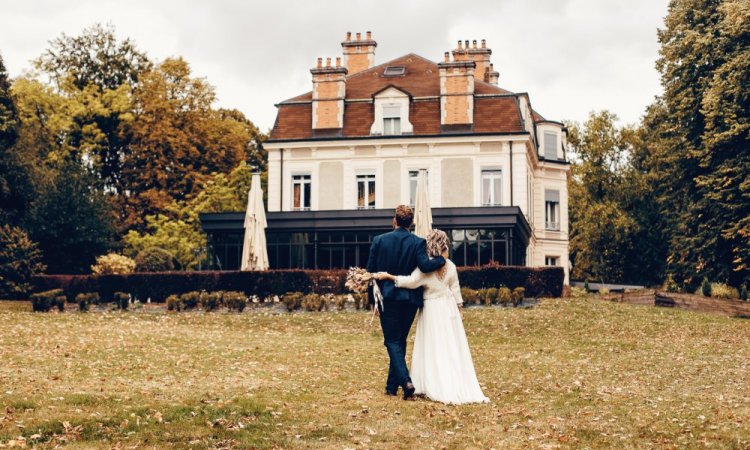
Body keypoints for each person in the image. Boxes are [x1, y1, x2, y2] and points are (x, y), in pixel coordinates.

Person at [374, 229, 489, 405]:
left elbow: (410, 281)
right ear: (443, 246)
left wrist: (389, 276)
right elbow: (455, 287)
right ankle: (454, 379)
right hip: (449, 309)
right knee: (451, 346)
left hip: (432, 311)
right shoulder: (450, 265)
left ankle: (432, 381)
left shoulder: (424, 269)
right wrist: (459, 307)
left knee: (433, 346)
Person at [367, 205, 446, 399]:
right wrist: (442, 260)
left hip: (387, 298)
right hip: (410, 299)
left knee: (392, 341)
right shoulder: (418, 243)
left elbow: (370, 273)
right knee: (399, 341)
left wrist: (372, 302)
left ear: (394, 220)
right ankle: (391, 387)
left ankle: (406, 382)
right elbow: (426, 266)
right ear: (412, 223)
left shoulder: (379, 241)